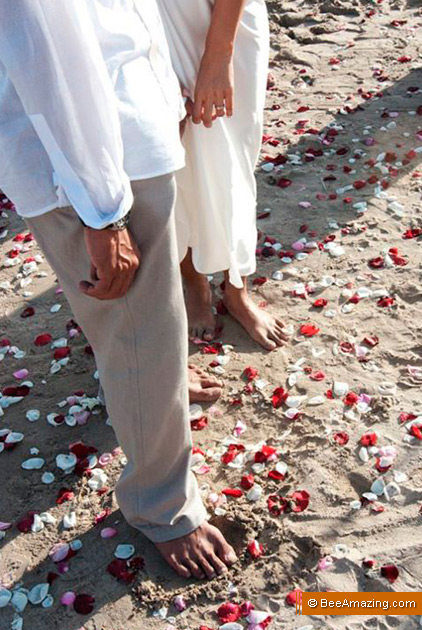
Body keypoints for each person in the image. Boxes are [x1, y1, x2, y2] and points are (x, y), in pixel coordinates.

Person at [0, 0, 236, 581]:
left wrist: (160, 87)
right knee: (139, 329)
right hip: (100, 161)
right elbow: (50, 65)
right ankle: (162, 507)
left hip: (124, 132)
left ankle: (155, 397)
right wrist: (103, 215)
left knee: (148, 326)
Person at [156, 0, 287, 351]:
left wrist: (218, 55)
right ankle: (194, 281)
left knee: (234, 160)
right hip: (148, 22)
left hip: (223, 16)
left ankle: (237, 288)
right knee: (173, 160)